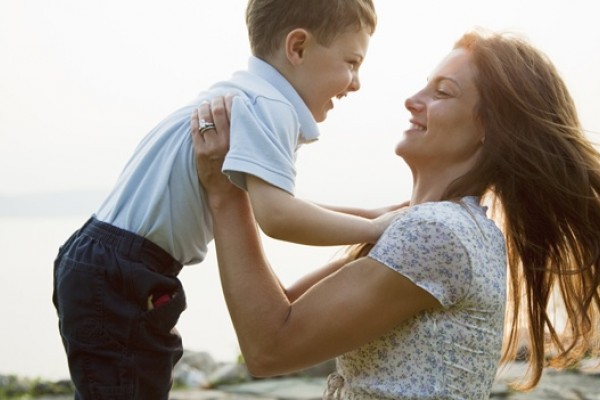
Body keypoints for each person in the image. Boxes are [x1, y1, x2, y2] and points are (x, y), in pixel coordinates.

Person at [191, 28, 600, 399]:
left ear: (489, 129)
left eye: (442, 92)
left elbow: (268, 347)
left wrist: (226, 193)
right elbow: (281, 307)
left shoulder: (437, 234)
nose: (412, 100)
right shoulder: (440, 227)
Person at [52, 1, 404, 398]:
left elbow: (278, 204)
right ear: (298, 48)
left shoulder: (247, 96)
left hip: (104, 259)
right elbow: (278, 217)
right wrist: (375, 227)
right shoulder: (271, 108)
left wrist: (379, 213)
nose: (356, 82)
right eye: (351, 62)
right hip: (122, 271)